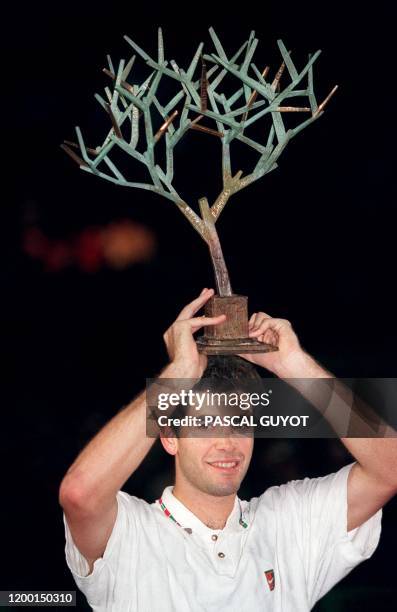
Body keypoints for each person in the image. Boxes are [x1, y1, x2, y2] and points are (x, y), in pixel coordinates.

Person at [59, 288, 396, 611]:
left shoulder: (289, 522)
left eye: (239, 424)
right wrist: (178, 375)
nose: (227, 443)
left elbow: (389, 468)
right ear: (169, 436)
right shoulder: (131, 531)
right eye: (205, 424)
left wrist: (294, 366)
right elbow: (79, 494)